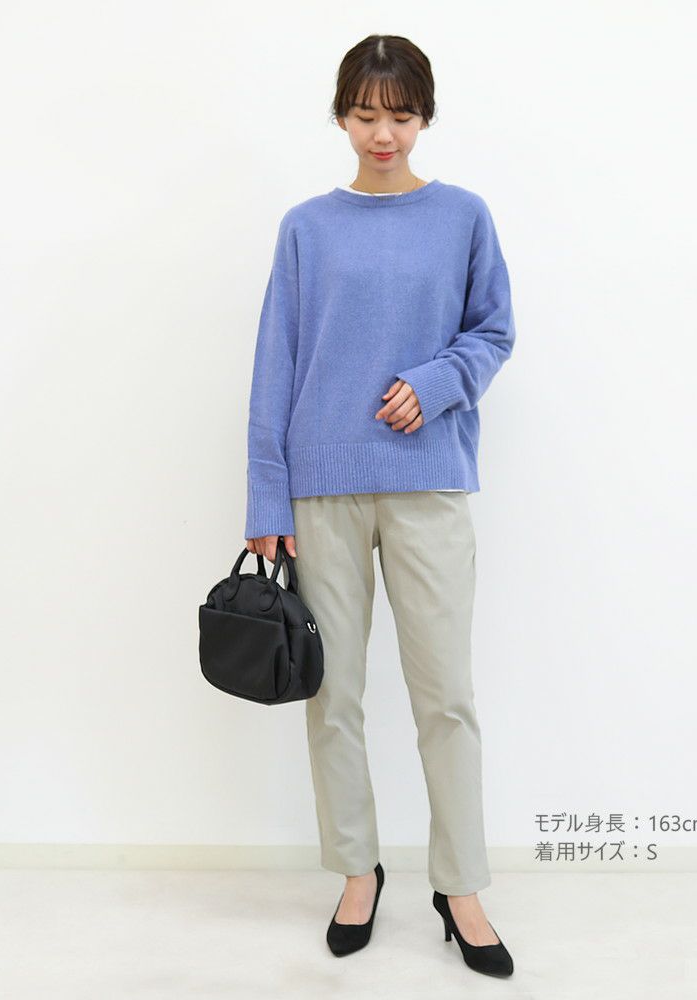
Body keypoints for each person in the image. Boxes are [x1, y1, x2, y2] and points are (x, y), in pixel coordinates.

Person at [244, 34, 516, 978]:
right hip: (321, 488)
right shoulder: (307, 227)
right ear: (341, 116)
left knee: (447, 698)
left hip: (428, 482)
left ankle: (461, 886)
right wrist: (267, 491)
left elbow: (493, 332)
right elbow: (276, 360)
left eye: (400, 116)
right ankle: (357, 872)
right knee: (336, 697)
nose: (383, 134)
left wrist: (437, 384)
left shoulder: (463, 216)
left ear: (425, 116)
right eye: (366, 115)